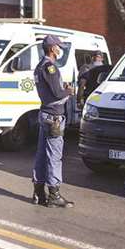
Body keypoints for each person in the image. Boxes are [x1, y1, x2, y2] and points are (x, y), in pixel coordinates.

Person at [32, 35, 75, 208]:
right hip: (53, 117)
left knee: (42, 155)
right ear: (52, 48)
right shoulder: (50, 67)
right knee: (54, 157)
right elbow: (57, 93)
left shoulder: (39, 66)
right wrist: (69, 91)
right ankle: (54, 195)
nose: (61, 49)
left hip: (45, 114)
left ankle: (39, 193)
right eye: (59, 47)